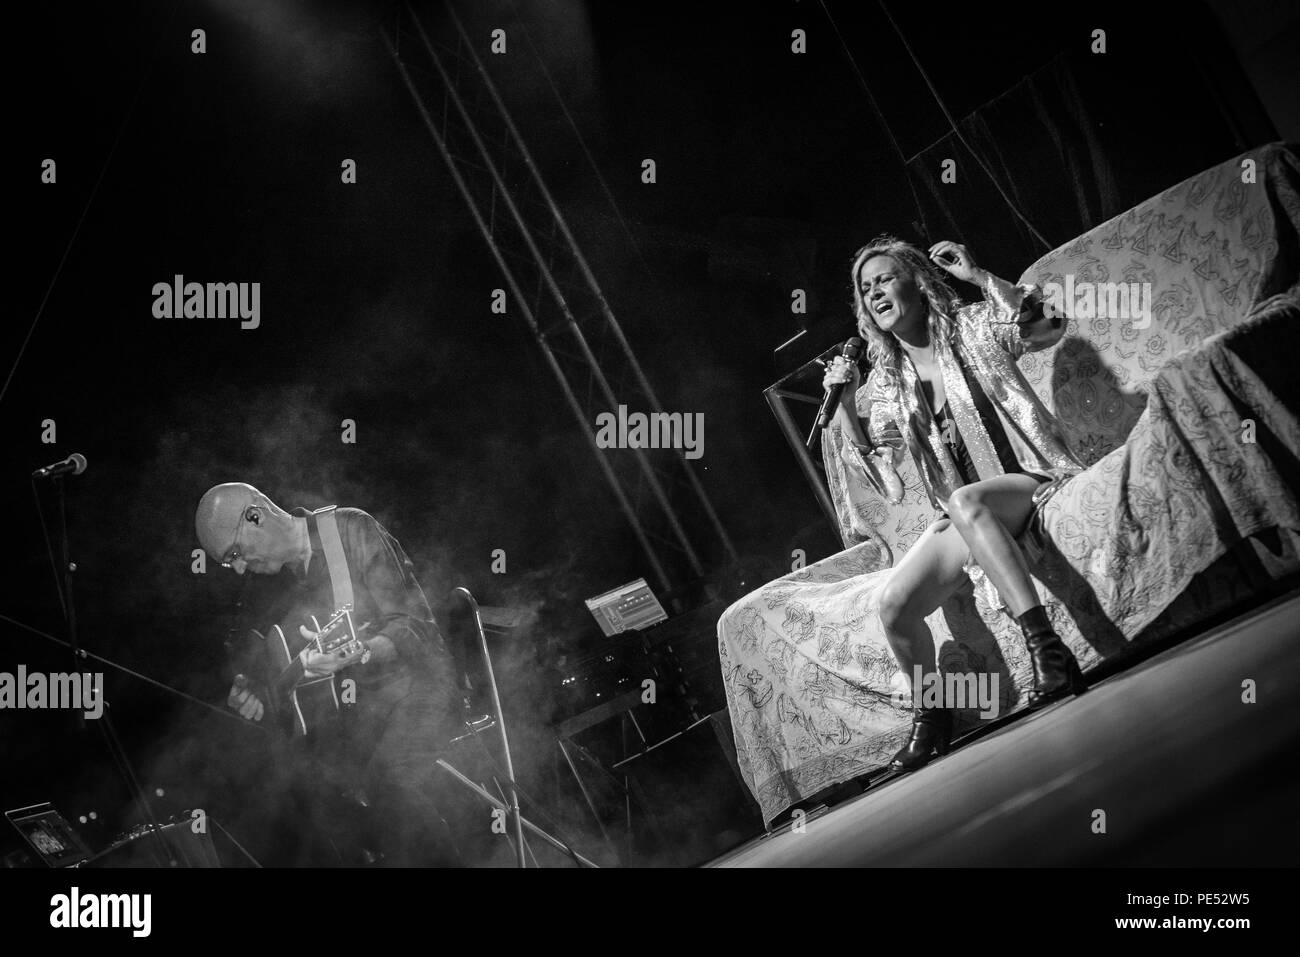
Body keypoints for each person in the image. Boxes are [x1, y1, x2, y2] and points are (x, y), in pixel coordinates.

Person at [823, 236, 1088, 769]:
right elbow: (886, 479)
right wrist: (848, 406)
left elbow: (1048, 324)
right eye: (865, 286)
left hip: (1028, 479)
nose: (875, 291)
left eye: (885, 278)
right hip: (965, 514)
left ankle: (1048, 652)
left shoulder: (973, 328)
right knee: (894, 606)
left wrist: (980, 276)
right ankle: (932, 717)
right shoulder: (887, 384)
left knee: (967, 501)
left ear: (918, 283)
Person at [195, 482, 470, 865]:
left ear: (255, 515)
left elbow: (413, 625)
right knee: (306, 794)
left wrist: (363, 651)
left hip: (423, 687)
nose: (239, 568)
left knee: (389, 781)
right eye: (229, 563)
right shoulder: (283, 590)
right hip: (363, 714)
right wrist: (259, 693)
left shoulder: (348, 530)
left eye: (235, 553)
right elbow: (297, 673)